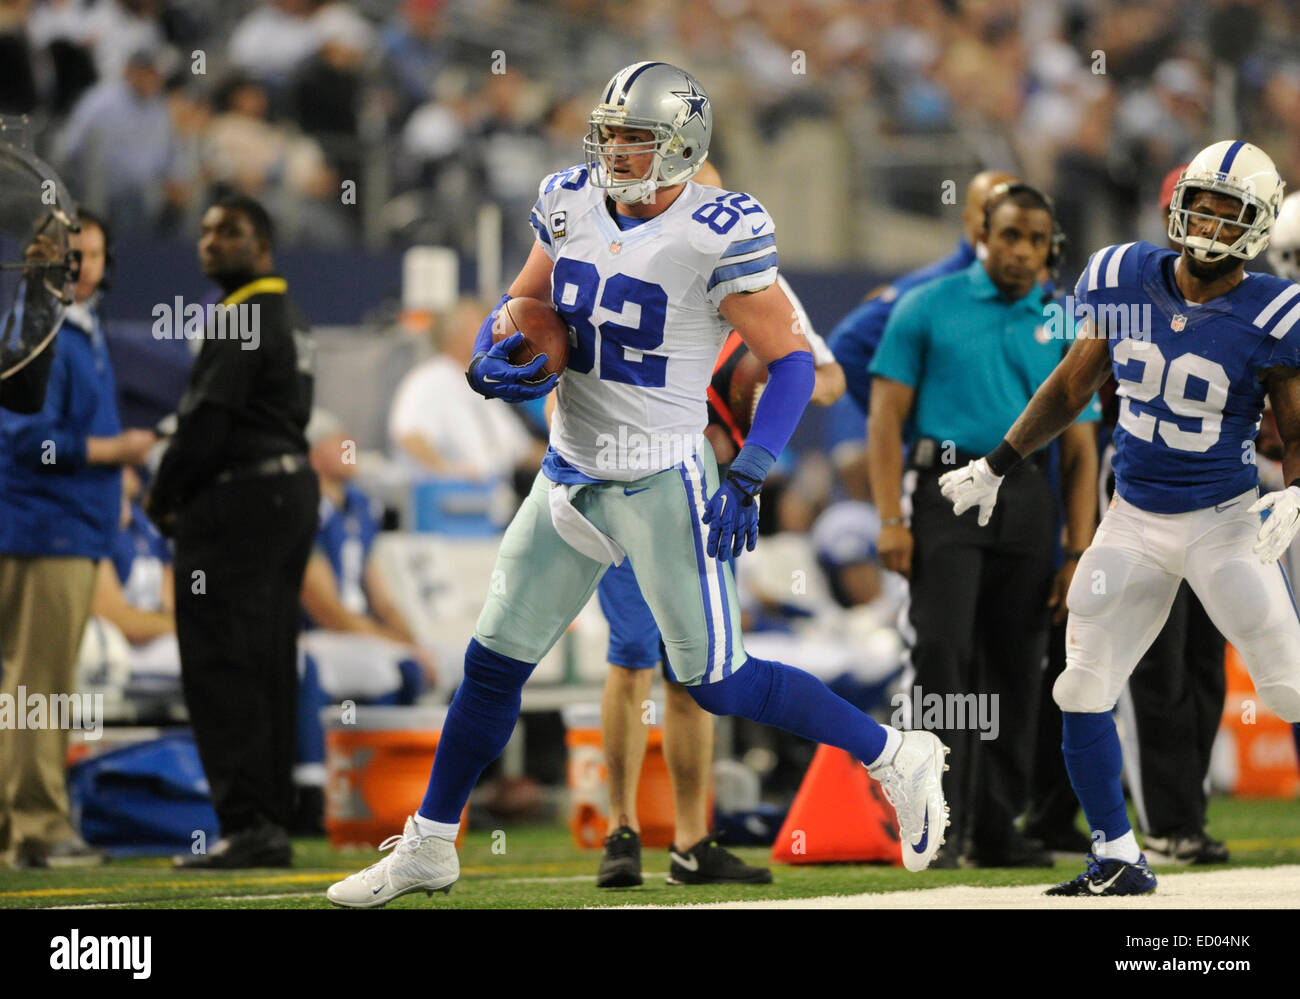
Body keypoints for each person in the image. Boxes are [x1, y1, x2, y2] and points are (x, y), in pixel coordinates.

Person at [326, 62, 949, 907]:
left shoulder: (718, 228)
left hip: (664, 477)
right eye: (610, 133)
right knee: (491, 664)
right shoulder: (568, 196)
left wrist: (754, 466)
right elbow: (521, 302)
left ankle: (894, 753)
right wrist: (489, 348)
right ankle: (431, 845)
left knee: (715, 680)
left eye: (636, 138)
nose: (615, 152)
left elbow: (794, 361)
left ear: (683, 145)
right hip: (568, 472)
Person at [938, 139, 1300, 895]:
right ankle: (1116, 854)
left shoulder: (1272, 308)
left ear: (1256, 224)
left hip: (1223, 521)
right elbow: (1071, 388)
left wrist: (1295, 492)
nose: (1206, 218)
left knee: (1289, 685)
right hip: (1132, 517)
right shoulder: (1121, 274)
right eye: (1199, 200)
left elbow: (1295, 430)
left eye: (1226, 208)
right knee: (1081, 684)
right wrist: (997, 465)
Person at [590, 159, 845, 888]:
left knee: (695, 668)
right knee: (632, 651)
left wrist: (765, 379)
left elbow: (823, 374)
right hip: (627, 471)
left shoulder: (742, 262)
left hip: (708, 485)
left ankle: (691, 839)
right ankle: (621, 828)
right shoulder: (612, 249)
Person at [866, 182, 1100, 867]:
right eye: (1009, 236)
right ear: (983, 236)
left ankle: (994, 828)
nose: (1021, 251)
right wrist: (890, 517)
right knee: (940, 656)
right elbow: (883, 419)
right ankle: (937, 824)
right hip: (945, 491)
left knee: (1015, 669)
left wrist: (1077, 550)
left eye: (1034, 240)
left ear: (1049, 248)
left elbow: (1082, 451)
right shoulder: (925, 306)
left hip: (1029, 499)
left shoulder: (1062, 322)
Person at [148, 194, 317, 869]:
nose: (211, 241)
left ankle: (247, 821)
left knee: (224, 658)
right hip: (286, 491)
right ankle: (268, 821)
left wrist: (165, 496)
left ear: (264, 244)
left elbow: (205, 423)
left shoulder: (243, 312)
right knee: (270, 657)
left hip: (240, 500)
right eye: (207, 230)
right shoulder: (290, 312)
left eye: (230, 231)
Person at [0, 210, 155, 868]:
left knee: (38, 681)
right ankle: (36, 828)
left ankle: (26, 824)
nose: (82, 267)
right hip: (45, 525)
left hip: (73, 523)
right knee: (37, 683)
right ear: (44, 259)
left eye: (91, 255)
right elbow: (23, 439)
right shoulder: (37, 326)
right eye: (70, 256)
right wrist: (110, 451)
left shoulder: (78, 325)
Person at [829, 169, 1019, 424]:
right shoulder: (932, 289)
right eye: (990, 210)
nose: (1002, 222)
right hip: (956, 457)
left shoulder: (1037, 291)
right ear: (967, 219)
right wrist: (915, 427)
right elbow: (848, 346)